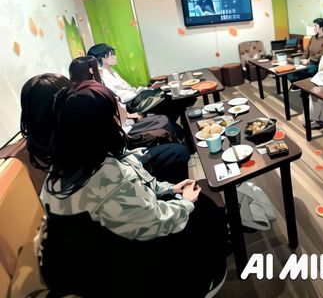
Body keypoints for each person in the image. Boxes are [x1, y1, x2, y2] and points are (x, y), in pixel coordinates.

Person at [37, 81, 227, 297]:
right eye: (114, 107)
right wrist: (186, 202)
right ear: (102, 124)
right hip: (129, 268)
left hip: (101, 259)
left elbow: (139, 191)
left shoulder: (58, 174)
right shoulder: (111, 179)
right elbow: (158, 221)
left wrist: (170, 189)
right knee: (205, 209)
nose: (120, 108)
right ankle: (207, 279)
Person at [69, 56, 190, 184]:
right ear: (91, 71)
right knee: (167, 135)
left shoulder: (91, 90)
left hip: (121, 135)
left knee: (164, 123)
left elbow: (117, 111)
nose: (101, 69)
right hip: (121, 142)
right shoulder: (91, 95)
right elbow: (116, 117)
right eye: (97, 67)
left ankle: (182, 144)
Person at [87, 43, 194, 122]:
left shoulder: (112, 71)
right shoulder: (103, 77)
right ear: (104, 59)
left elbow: (129, 89)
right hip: (132, 104)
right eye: (112, 54)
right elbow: (121, 97)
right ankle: (177, 127)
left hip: (137, 98)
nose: (115, 56)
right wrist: (144, 91)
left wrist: (148, 89)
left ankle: (176, 125)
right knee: (175, 99)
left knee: (175, 98)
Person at [287, 18, 323, 83]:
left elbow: (321, 56)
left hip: (317, 65)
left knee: (297, 74)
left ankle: (297, 85)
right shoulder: (313, 37)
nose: (314, 28)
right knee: (289, 72)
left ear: (321, 27)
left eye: (315, 26)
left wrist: (308, 61)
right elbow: (306, 51)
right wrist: (302, 60)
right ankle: (296, 85)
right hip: (307, 64)